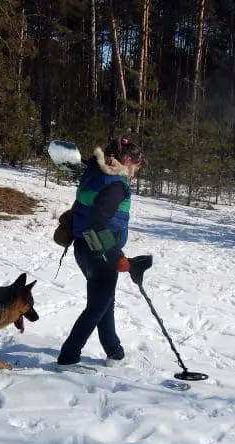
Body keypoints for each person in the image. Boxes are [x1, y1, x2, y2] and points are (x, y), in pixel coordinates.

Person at [57, 136, 150, 369]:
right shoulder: (116, 184)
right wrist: (115, 255)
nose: (135, 173)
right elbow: (99, 221)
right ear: (127, 160)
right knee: (97, 306)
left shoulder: (95, 174)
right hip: (99, 251)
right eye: (136, 168)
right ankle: (68, 357)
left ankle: (114, 352)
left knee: (104, 300)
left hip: (82, 246)